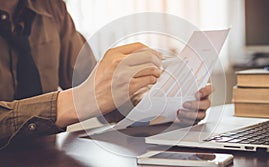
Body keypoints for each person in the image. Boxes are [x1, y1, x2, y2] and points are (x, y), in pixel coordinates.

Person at [0, 0, 212, 149]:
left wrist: (158, 107)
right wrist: (75, 102)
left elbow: (95, 90)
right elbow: (86, 97)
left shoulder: (53, 8)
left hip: (44, 158)